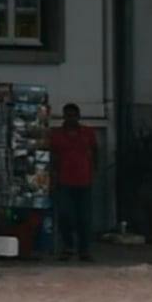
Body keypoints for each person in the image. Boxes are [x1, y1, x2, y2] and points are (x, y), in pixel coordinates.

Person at [47, 103, 98, 262]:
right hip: (64, 181)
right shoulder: (56, 135)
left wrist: (93, 170)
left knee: (84, 218)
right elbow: (53, 157)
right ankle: (68, 247)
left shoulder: (88, 133)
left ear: (78, 116)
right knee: (65, 215)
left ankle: (84, 250)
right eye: (67, 116)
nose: (70, 119)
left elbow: (96, 151)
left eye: (73, 116)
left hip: (84, 181)